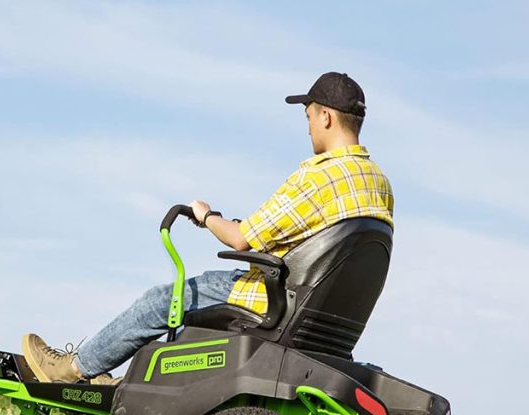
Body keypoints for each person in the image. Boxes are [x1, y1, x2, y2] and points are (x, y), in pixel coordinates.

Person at [23, 72, 394, 384]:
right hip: (324, 320)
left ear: (326, 117)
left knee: (161, 300)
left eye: (309, 116)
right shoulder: (378, 183)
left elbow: (241, 238)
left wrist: (206, 216)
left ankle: (72, 369)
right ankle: (105, 368)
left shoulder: (319, 176)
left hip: (273, 302)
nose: (309, 126)